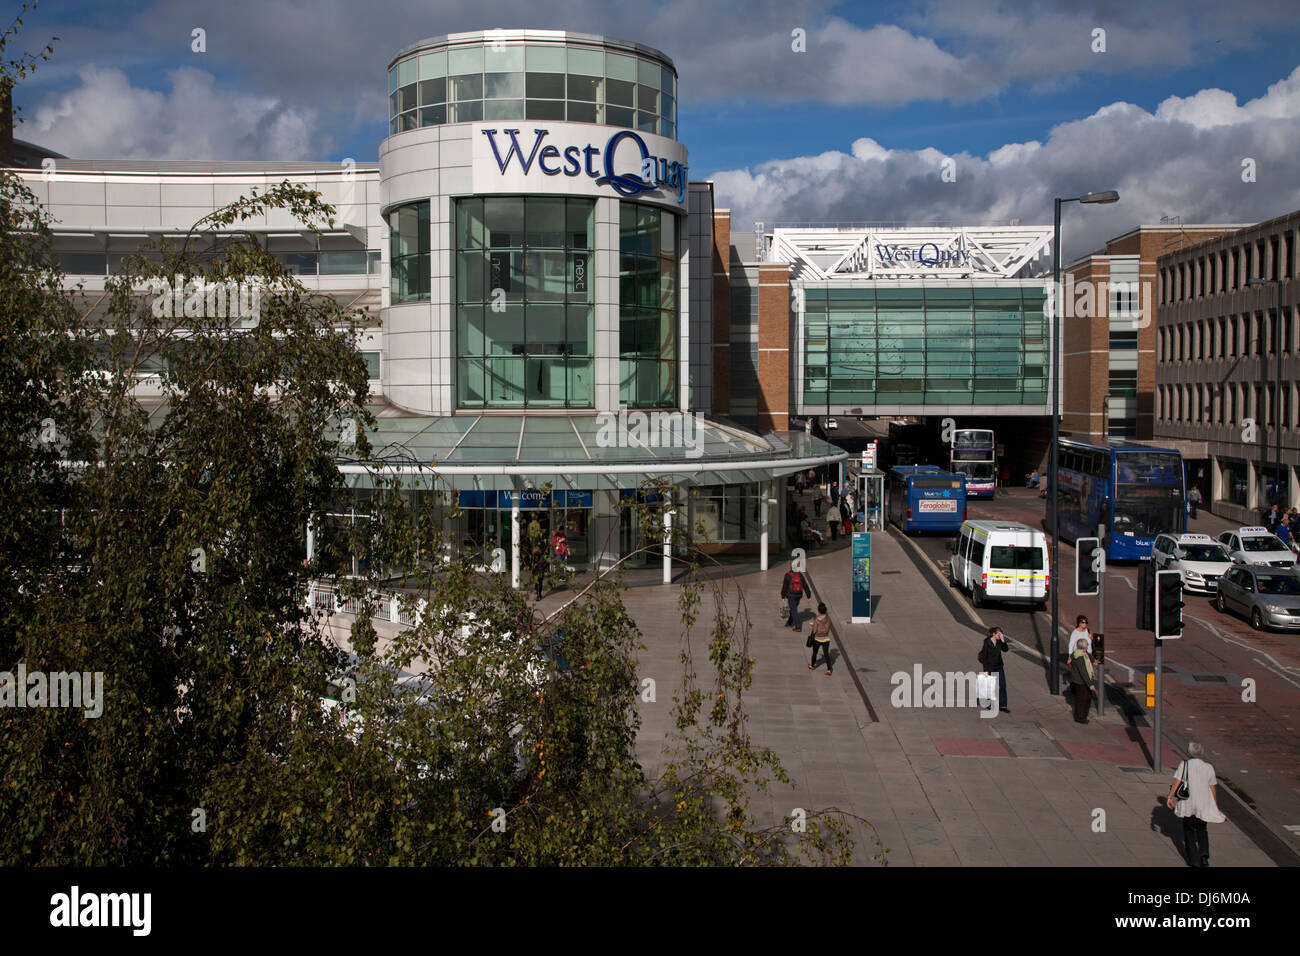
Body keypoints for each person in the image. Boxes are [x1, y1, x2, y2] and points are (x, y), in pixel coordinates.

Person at [1165, 742, 1227, 867]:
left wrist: (1170, 796)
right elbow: (1212, 787)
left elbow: (1177, 782)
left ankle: (1193, 860)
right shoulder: (1208, 767)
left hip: (1188, 802)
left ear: (1190, 752)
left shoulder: (1185, 764)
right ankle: (1204, 856)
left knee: (1188, 830)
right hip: (1203, 803)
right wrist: (1214, 803)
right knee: (1202, 829)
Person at [978, 625, 1009, 713]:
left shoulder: (1000, 642)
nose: (1000, 636)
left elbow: (1005, 650)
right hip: (990, 666)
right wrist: (986, 670)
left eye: (1001, 634)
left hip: (999, 666)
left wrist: (1003, 641)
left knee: (1002, 685)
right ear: (994, 634)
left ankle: (1003, 705)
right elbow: (984, 657)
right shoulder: (987, 642)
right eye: (998, 635)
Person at [1068, 638, 1093, 723]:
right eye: (1087, 645)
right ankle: (1079, 718)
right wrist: (1090, 684)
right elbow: (1084, 673)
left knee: (1087, 699)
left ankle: (1083, 716)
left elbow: (1091, 660)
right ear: (1083, 646)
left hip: (1083, 681)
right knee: (1081, 700)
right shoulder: (1079, 657)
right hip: (1081, 682)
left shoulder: (1084, 654)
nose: (1088, 646)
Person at [781, 563, 807, 632]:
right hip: (799, 595)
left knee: (794, 610)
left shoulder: (787, 575)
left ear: (791, 567)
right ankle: (789, 622)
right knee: (792, 608)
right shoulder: (800, 575)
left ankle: (798, 627)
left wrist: (783, 596)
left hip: (791, 595)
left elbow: (785, 586)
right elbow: (805, 585)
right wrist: (808, 594)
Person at [809, 602, 832, 674]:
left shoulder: (817, 620)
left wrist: (813, 625)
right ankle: (829, 669)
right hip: (826, 638)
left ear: (818, 611)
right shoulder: (828, 618)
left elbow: (815, 630)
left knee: (815, 652)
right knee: (826, 654)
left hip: (817, 639)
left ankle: (812, 665)